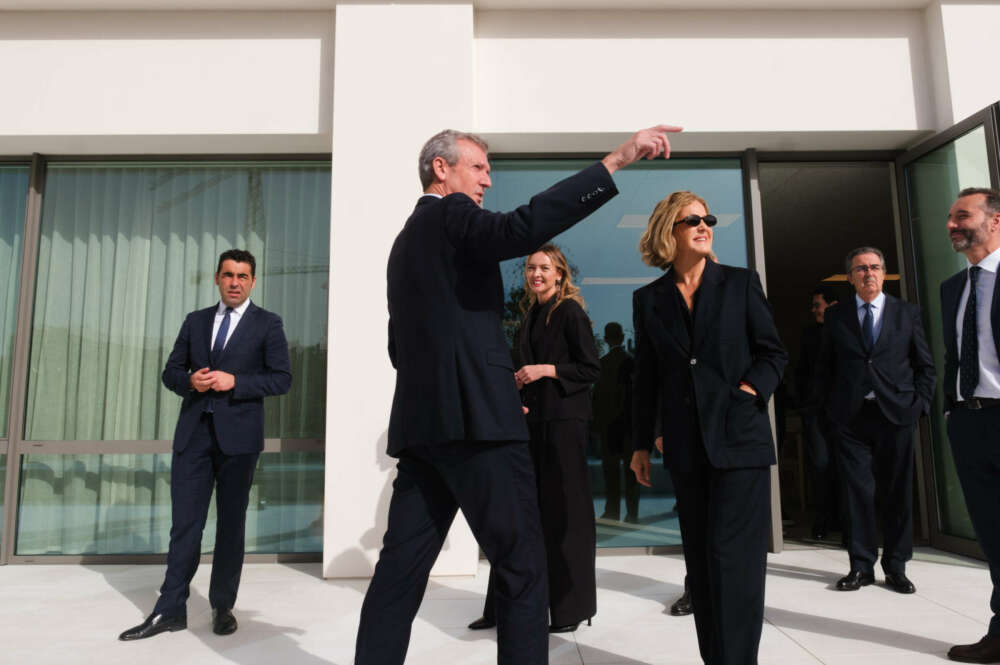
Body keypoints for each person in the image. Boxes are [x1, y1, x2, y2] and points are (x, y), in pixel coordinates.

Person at [354, 124, 681, 665]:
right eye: (478, 167)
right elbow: (519, 227)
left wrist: (477, 378)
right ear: (442, 169)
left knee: (399, 574)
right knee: (523, 566)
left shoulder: (403, 243)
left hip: (423, 432)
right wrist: (615, 163)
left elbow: (401, 347)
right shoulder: (450, 215)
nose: (487, 179)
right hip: (480, 429)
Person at [630, 191, 787, 665]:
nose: (704, 225)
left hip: (741, 443)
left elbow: (773, 354)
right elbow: (647, 376)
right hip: (686, 447)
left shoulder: (740, 284)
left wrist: (748, 393)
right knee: (700, 568)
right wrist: (641, 441)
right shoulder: (649, 300)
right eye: (691, 220)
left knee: (735, 565)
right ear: (668, 232)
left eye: (708, 219)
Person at [119, 249, 292, 640]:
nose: (235, 282)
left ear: (253, 281)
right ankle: (170, 610)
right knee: (185, 526)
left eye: (243, 276)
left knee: (231, 527)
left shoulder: (268, 324)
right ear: (216, 278)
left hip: (239, 442)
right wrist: (189, 382)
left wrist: (238, 383)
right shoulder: (196, 321)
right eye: (228, 275)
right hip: (194, 437)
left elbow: (282, 379)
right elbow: (170, 372)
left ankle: (222, 606)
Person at [468, 244, 600, 634]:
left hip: (564, 427)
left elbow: (591, 368)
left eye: (544, 268)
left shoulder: (571, 312)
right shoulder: (529, 316)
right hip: (532, 425)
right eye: (530, 268)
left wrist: (543, 369)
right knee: (519, 519)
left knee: (565, 518)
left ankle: (570, 611)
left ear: (560, 273)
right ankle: (502, 609)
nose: (536, 274)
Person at [816, 246, 935, 594]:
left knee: (897, 493)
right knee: (857, 494)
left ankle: (896, 566)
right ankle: (861, 566)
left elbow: (925, 366)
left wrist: (919, 406)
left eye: (874, 267)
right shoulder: (836, 318)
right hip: (851, 419)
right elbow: (825, 369)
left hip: (895, 414)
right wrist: (827, 410)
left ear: (884, 273)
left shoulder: (906, 313)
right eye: (860, 269)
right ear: (851, 277)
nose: (868, 273)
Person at [941, 187, 1000, 663]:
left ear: (995, 221)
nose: (951, 225)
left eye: (962, 215)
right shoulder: (952, 288)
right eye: (950, 217)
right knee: (993, 535)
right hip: (970, 425)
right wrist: (950, 411)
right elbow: (951, 357)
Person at [796, 285, 840, 540]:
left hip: (843, 412)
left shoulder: (848, 331)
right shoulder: (810, 335)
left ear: (832, 305)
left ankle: (845, 521)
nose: (814, 310)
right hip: (815, 411)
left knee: (845, 466)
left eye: (817, 305)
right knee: (820, 464)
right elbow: (802, 371)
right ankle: (823, 519)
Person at [592, 321, 638, 523]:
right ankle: (632, 513)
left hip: (609, 427)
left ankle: (612, 511)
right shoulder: (632, 362)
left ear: (606, 339)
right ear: (621, 337)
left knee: (611, 473)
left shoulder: (602, 364)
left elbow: (596, 398)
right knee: (631, 473)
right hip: (629, 427)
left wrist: (595, 424)